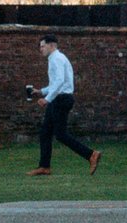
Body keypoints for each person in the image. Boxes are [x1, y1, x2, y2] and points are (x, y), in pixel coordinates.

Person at [27, 35, 99, 177]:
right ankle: (44, 167)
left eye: (43, 46)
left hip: (61, 99)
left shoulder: (56, 59)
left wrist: (47, 99)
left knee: (60, 134)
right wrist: (41, 91)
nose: (40, 49)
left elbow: (60, 82)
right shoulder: (55, 59)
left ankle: (91, 154)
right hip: (59, 98)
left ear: (52, 45)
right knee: (45, 133)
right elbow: (56, 83)